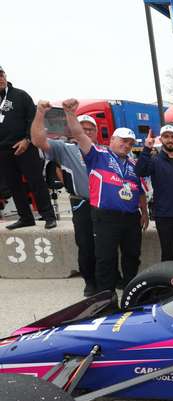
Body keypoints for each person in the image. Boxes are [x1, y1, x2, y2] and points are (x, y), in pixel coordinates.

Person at [62, 98, 149, 294]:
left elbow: (140, 190)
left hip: (131, 217)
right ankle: (105, 298)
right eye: (123, 141)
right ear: (112, 140)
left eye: (130, 143)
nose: (126, 145)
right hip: (105, 216)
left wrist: (144, 212)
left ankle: (131, 290)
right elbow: (79, 134)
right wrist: (70, 113)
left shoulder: (134, 164)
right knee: (105, 258)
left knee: (132, 256)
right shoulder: (97, 154)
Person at [31, 101, 98, 295]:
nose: (86, 132)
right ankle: (90, 281)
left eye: (90, 129)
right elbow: (37, 140)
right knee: (85, 245)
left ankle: (109, 276)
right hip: (82, 203)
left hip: (104, 206)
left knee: (106, 244)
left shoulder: (104, 151)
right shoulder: (64, 148)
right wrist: (40, 113)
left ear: (95, 132)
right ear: (73, 128)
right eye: (82, 127)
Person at [0, 66, 57, 229]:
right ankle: (25, 218)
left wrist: (27, 140)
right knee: (13, 185)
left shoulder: (20, 96)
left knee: (36, 181)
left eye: (1, 74)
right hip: (3, 151)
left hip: (25, 146)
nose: (0, 78)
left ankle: (48, 216)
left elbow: (33, 119)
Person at [136, 125, 173, 262]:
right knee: (167, 256)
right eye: (166, 137)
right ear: (160, 139)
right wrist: (147, 148)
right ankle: (169, 283)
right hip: (164, 217)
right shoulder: (154, 161)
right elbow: (140, 171)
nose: (170, 140)